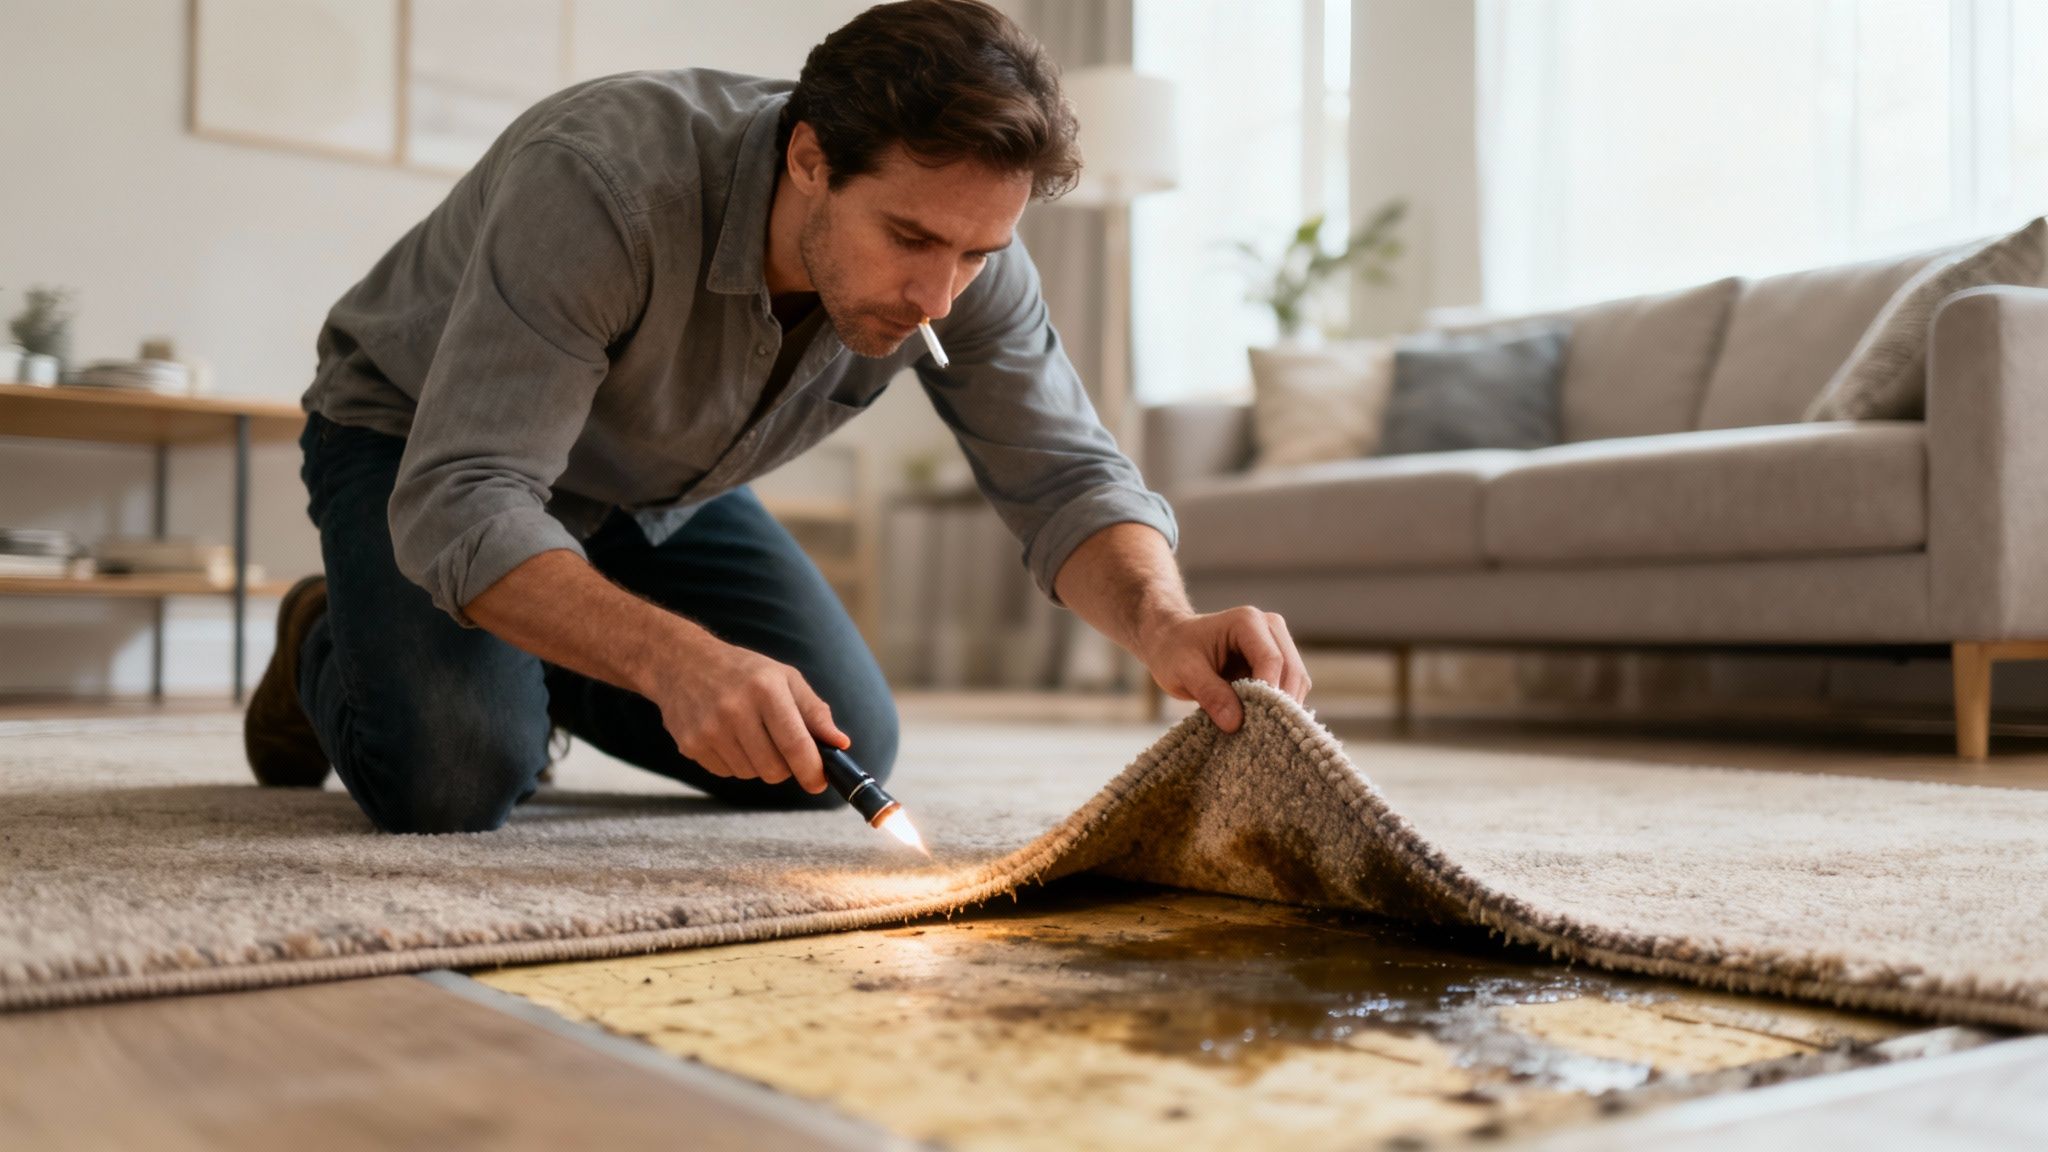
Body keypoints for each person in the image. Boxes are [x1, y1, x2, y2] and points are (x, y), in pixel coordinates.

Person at [243, 0, 1311, 835]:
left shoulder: (965, 253)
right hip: (421, 451)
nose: (942, 295)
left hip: (655, 489)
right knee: (457, 776)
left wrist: (1162, 623)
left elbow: (1067, 479)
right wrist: (674, 661)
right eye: (908, 238)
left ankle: (513, 645)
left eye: (975, 254)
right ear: (809, 160)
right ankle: (331, 638)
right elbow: (467, 496)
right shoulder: (599, 183)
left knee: (831, 756)